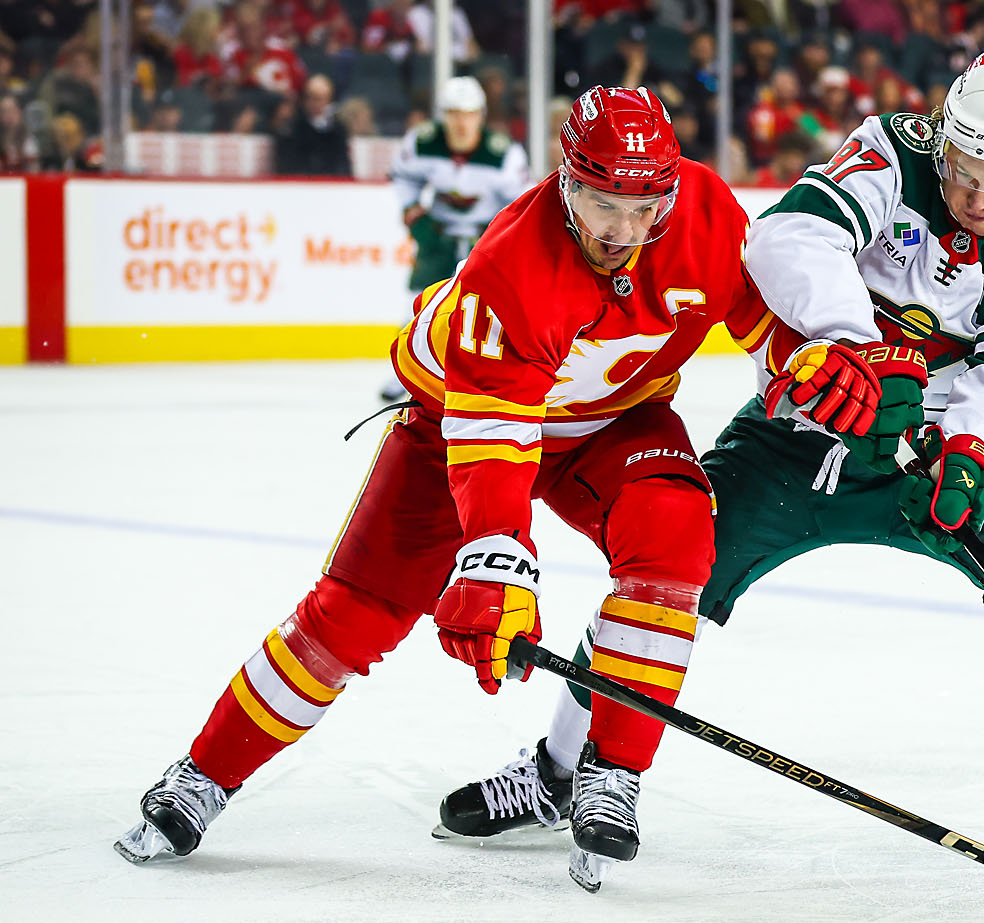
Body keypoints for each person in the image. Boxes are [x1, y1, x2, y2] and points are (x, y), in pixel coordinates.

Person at [440, 52, 984, 890]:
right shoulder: (889, 151)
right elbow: (786, 235)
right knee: (662, 580)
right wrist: (851, 350)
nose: (979, 197)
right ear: (943, 140)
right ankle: (559, 770)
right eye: (965, 169)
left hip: (940, 454)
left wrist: (971, 450)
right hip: (802, 431)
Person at [113, 86, 820, 874]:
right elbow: (493, 434)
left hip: (613, 424)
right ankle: (205, 773)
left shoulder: (704, 212)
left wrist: (814, 364)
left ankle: (607, 772)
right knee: (354, 615)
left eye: (644, 205)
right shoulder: (511, 265)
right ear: (565, 181)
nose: (624, 231)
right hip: (454, 422)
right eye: (600, 202)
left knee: (677, 542)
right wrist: (498, 552)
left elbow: (764, 315)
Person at [380, 75, 527, 402]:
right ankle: (403, 375)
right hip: (438, 237)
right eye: (454, 114)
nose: (461, 123)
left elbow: (521, 202)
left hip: (485, 242)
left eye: (469, 114)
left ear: (481, 115)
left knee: (488, 312)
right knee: (418, 306)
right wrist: (413, 211)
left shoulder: (504, 154)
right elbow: (403, 178)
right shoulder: (420, 142)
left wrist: (500, 236)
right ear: (443, 116)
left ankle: (490, 378)